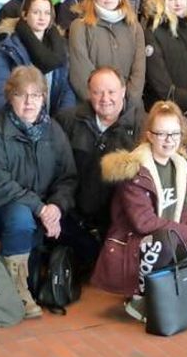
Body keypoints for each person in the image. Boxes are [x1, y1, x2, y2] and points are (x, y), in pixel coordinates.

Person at [91, 101, 187, 322]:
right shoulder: (135, 171)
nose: (169, 140)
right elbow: (144, 223)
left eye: (174, 133)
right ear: (150, 136)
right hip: (136, 243)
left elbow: (183, 217)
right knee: (165, 239)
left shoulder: (180, 167)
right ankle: (139, 296)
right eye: (162, 134)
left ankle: (164, 292)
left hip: (166, 239)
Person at [0, 65, 77, 319]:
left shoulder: (53, 130)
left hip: (40, 210)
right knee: (20, 216)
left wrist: (55, 207)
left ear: (44, 97)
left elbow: (68, 178)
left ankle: (33, 279)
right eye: (21, 95)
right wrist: (40, 208)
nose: (29, 102)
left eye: (36, 95)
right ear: (10, 97)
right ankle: (16, 289)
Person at [56, 67, 143, 239]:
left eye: (111, 92)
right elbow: (57, 172)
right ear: (89, 93)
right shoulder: (67, 121)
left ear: (123, 91)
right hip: (73, 217)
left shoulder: (143, 126)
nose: (105, 99)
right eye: (98, 92)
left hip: (121, 223)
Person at [0, 0, 75, 116]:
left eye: (47, 13)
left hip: (54, 124)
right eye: (36, 12)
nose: (42, 17)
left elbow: (66, 89)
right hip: (18, 125)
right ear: (24, 15)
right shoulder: (6, 50)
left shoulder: (61, 47)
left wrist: (63, 119)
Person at [68, 0, 146, 103]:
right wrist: (104, 103)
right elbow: (80, 75)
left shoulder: (134, 27)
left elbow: (138, 72)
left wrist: (126, 103)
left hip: (130, 110)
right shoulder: (79, 27)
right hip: (93, 109)